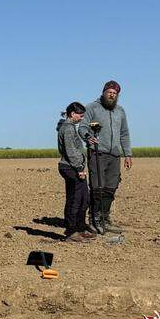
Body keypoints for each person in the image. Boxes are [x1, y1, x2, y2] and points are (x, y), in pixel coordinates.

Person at [83, 80, 132, 234]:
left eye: (115, 93)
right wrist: (87, 137)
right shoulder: (92, 107)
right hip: (98, 153)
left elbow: (124, 133)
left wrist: (128, 154)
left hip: (115, 155)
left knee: (111, 188)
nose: (112, 95)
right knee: (97, 187)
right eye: (109, 92)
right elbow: (83, 126)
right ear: (104, 92)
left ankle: (105, 218)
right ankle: (94, 219)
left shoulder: (120, 111)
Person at [57, 102, 95, 242]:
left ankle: (80, 228)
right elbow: (71, 151)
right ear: (72, 114)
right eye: (80, 115)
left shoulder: (71, 127)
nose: (81, 118)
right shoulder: (67, 128)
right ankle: (71, 232)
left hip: (75, 167)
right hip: (70, 167)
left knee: (84, 198)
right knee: (74, 200)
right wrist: (79, 168)